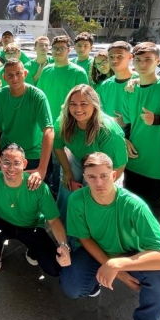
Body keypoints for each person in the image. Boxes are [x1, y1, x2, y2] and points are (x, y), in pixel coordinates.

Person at [61, 152, 160, 320]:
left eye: (104, 175)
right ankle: (96, 281)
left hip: (130, 253)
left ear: (114, 175)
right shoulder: (77, 200)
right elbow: (85, 238)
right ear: (85, 178)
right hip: (97, 250)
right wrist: (113, 268)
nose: (98, 182)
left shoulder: (134, 205)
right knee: (72, 285)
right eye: (92, 177)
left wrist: (118, 265)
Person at [0, 144, 71, 275]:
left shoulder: (40, 187)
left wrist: (64, 245)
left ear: (25, 163)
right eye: (6, 162)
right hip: (1, 222)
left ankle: (33, 248)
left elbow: (54, 220)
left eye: (17, 163)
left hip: (30, 226)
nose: (11, 168)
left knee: (54, 268)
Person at [120, 42, 160, 225]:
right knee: (131, 211)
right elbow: (127, 122)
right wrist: (124, 138)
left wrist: (158, 119)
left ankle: (155, 253)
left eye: (148, 60)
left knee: (154, 218)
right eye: (138, 60)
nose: (143, 64)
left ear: (158, 60)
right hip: (133, 163)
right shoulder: (130, 89)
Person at [54, 85, 127, 221]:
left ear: (94, 105)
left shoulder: (109, 131)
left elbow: (119, 165)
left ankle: (89, 232)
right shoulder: (63, 121)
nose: (78, 109)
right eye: (73, 104)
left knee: (93, 199)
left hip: (104, 168)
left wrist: (98, 187)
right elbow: (58, 147)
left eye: (84, 104)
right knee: (67, 188)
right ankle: (63, 227)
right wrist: (67, 171)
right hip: (77, 158)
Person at [0, 59, 54, 188]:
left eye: (18, 73)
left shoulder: (37, 96)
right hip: (8, 152)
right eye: (10, 75)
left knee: (34, 193)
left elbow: (49, 131)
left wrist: (42, 169)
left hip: (33, 154)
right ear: (4, 77)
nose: (15, 78)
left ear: (25, 73)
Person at [37, 35, 89, 119]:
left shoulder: (79, 73)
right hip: (47, 120)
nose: (58, 51)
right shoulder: (46, 70)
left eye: (61, 48)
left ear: (68, 50)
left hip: (69, 121)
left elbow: (84, 101)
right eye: (55, 48)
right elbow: (39, 96)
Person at [96, 41, 136, 120]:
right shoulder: (105, 86)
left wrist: (126, 122)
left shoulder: (141, 81)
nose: (114, 60)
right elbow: (100, 114)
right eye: (111, 57)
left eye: (119, 56)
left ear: (130, 57)